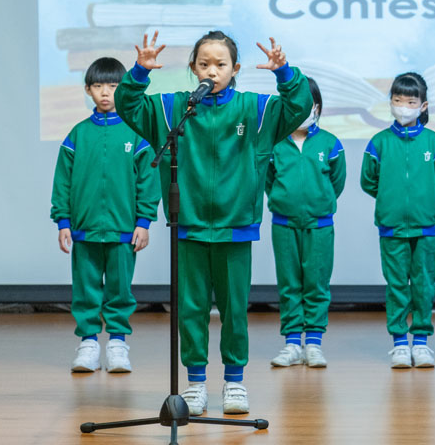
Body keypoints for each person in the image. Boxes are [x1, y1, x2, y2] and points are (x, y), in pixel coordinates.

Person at [115, 30, 312, 414]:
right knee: (191, 310)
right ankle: (195, 384)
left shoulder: (255, 110)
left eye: (221, 64)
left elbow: (298, 106)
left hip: (235, 228)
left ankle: (234, 382)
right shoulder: (173, 108)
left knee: (234, 310)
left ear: (235, 69)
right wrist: (140, 71)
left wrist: (284, 72)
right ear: (193, 67)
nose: (212, 71)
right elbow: (128, 105)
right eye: (204, 64)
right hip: (188, 227)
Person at [50, 57, 158, 374]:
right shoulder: (78, 134)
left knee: (120, 290)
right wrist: (63, 222)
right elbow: (62, 182)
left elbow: (148, 182)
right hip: (84, 230)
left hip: (123, 230)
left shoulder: (136, 134)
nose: (106, 92)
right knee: (85, 289)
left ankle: (117, 344)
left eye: (112, 86)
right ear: (88, 90)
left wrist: (143, 222)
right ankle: (88, 344)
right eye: (98, 86)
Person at [361, 72, 435, 369]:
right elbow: (368, 181)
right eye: (398, 100)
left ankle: (422, 342)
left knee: (423, 285)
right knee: (396, 286)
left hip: (426, 228)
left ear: (423, 105)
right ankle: (400, 343)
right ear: (391, 102)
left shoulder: (433, 142)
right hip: (391, 227)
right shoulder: (379, 142)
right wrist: (390, 198)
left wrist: (428, 198)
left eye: (411, 101)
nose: (404, 106)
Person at [265, 76, 346, 368]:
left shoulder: (330, 143)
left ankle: (313, 343)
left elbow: (336, 182)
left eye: (307, 104)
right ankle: (291, 344)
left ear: (317, 107)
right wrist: (285, 201)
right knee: (289, 284)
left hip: (320, 225)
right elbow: (269, 181)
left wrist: (319, 204)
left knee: (316, 283)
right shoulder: (275, 143)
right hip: (284, 225)